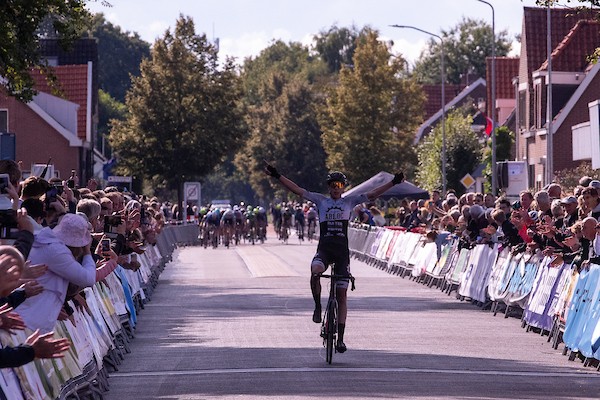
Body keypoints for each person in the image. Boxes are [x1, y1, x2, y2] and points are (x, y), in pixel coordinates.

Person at [264, 162, 403, 354]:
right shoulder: (321, 201)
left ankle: (341, 339)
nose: (336, 189)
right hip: (325, 250)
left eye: (339, 186)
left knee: (342, 296)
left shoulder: (349, 201)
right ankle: (318, 306)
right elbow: (297, 189)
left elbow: (372, 194)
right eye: (332, 185)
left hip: (342, 253)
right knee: (315, 271)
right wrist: (277, 175)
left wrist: (393, 183)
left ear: (343, 187)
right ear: (328, 186)